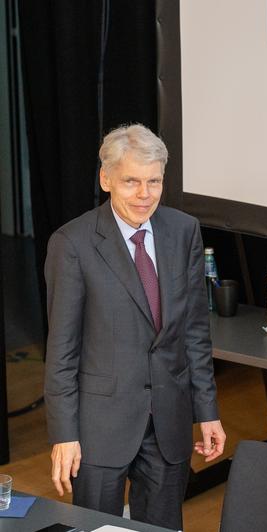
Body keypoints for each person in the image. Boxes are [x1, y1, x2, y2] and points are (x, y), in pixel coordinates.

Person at [44, 124, 226, 530]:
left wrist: (207, 411)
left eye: (154, 182)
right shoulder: (71, 244)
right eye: (131, 182)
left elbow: (195, 331)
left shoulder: (183, 231)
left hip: (169, 421)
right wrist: (63, 434)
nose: (145, 194)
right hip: (99, 429)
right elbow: (62, 350)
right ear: (106, 179)